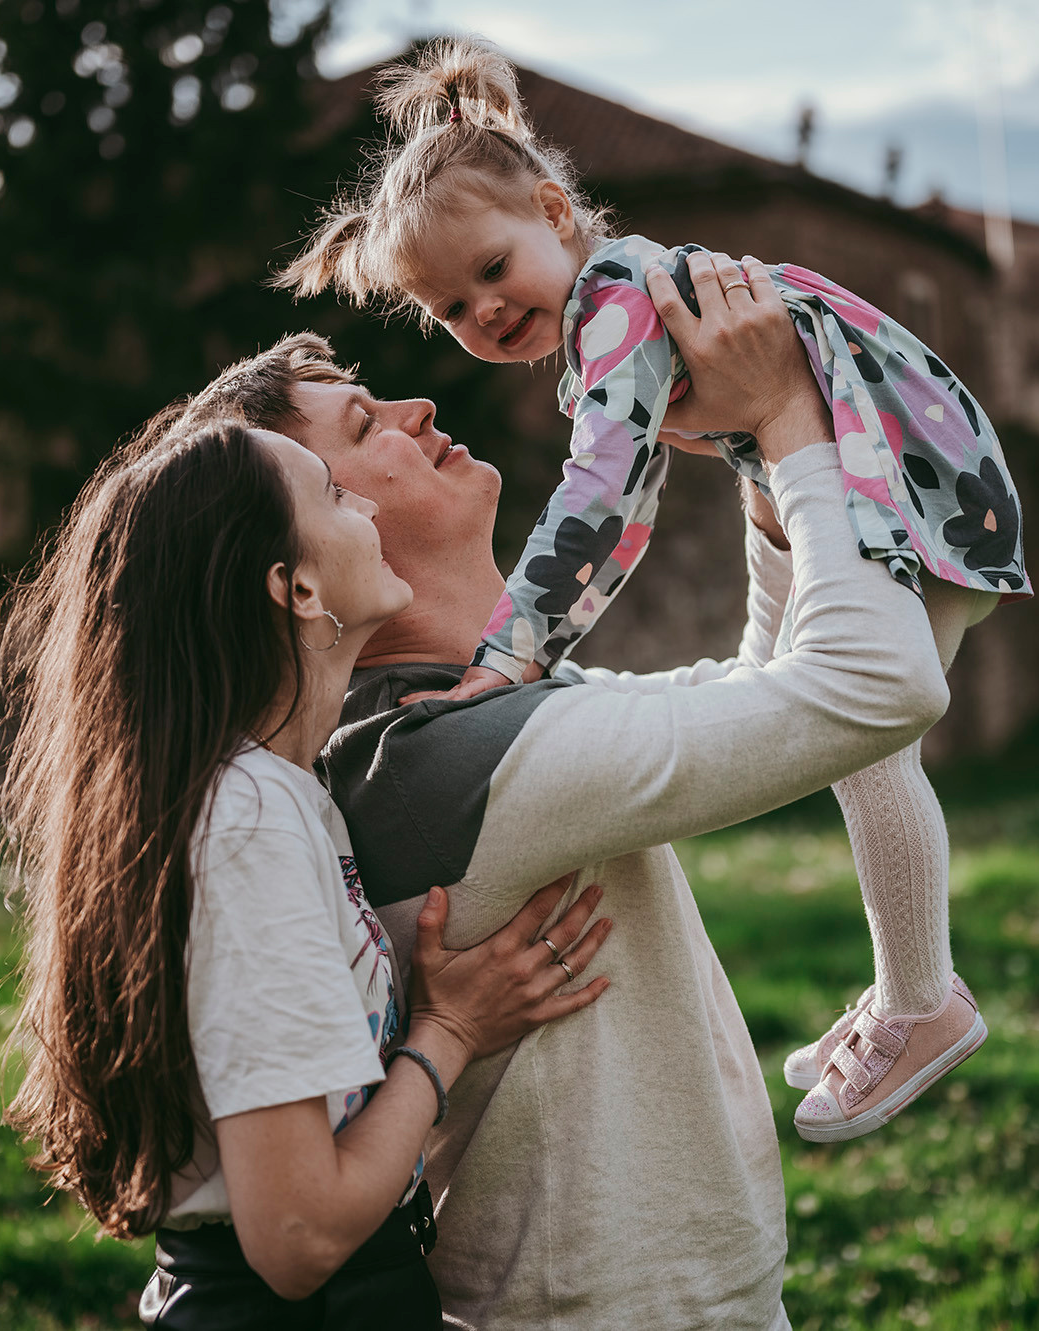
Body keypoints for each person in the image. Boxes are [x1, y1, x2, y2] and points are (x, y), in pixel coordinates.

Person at [180, 245, 965, 1325]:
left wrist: (763, 479)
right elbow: (872, 686)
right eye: (360, 431)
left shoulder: (470, 722)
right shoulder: (444, 757)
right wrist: (789, 411)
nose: (414, 405)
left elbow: (758, 692)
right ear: (301, 550)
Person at [277, 36, 1022, 1143]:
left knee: (866, 740)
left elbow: (595, 497)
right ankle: (909, 988)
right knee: (848, 737)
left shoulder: (615, 300)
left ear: (554, 212)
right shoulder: (611, 321)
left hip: (900, 466)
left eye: (490, 270)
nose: (480, 315)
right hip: (910, 460)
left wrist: (511, 650)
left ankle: (920, 999)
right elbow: (624, 519)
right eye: (447, 310)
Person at [0, 411, 613, 1328]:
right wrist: (447, 1031)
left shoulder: (281, 792)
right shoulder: (248, 820)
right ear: (296, 588)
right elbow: (299, 1236)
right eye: (331, 494)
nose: (360, 499)